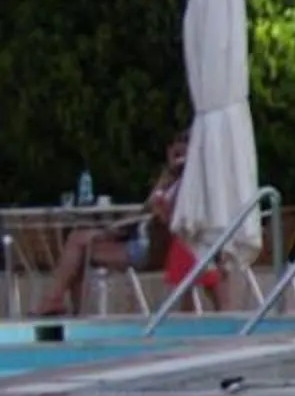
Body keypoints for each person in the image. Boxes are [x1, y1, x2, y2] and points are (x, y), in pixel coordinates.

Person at [35, 136, 185, 317]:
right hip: (139, 239)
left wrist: (122, 227)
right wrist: (166, 175)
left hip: (149, 248)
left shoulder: (184, 186)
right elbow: (145, 210)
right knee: (79, 241)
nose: (174, 156)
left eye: (179, 153)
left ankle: (58, 303)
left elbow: (161, 217)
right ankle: (62, 304)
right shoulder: (171, 181)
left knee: (79, 244)